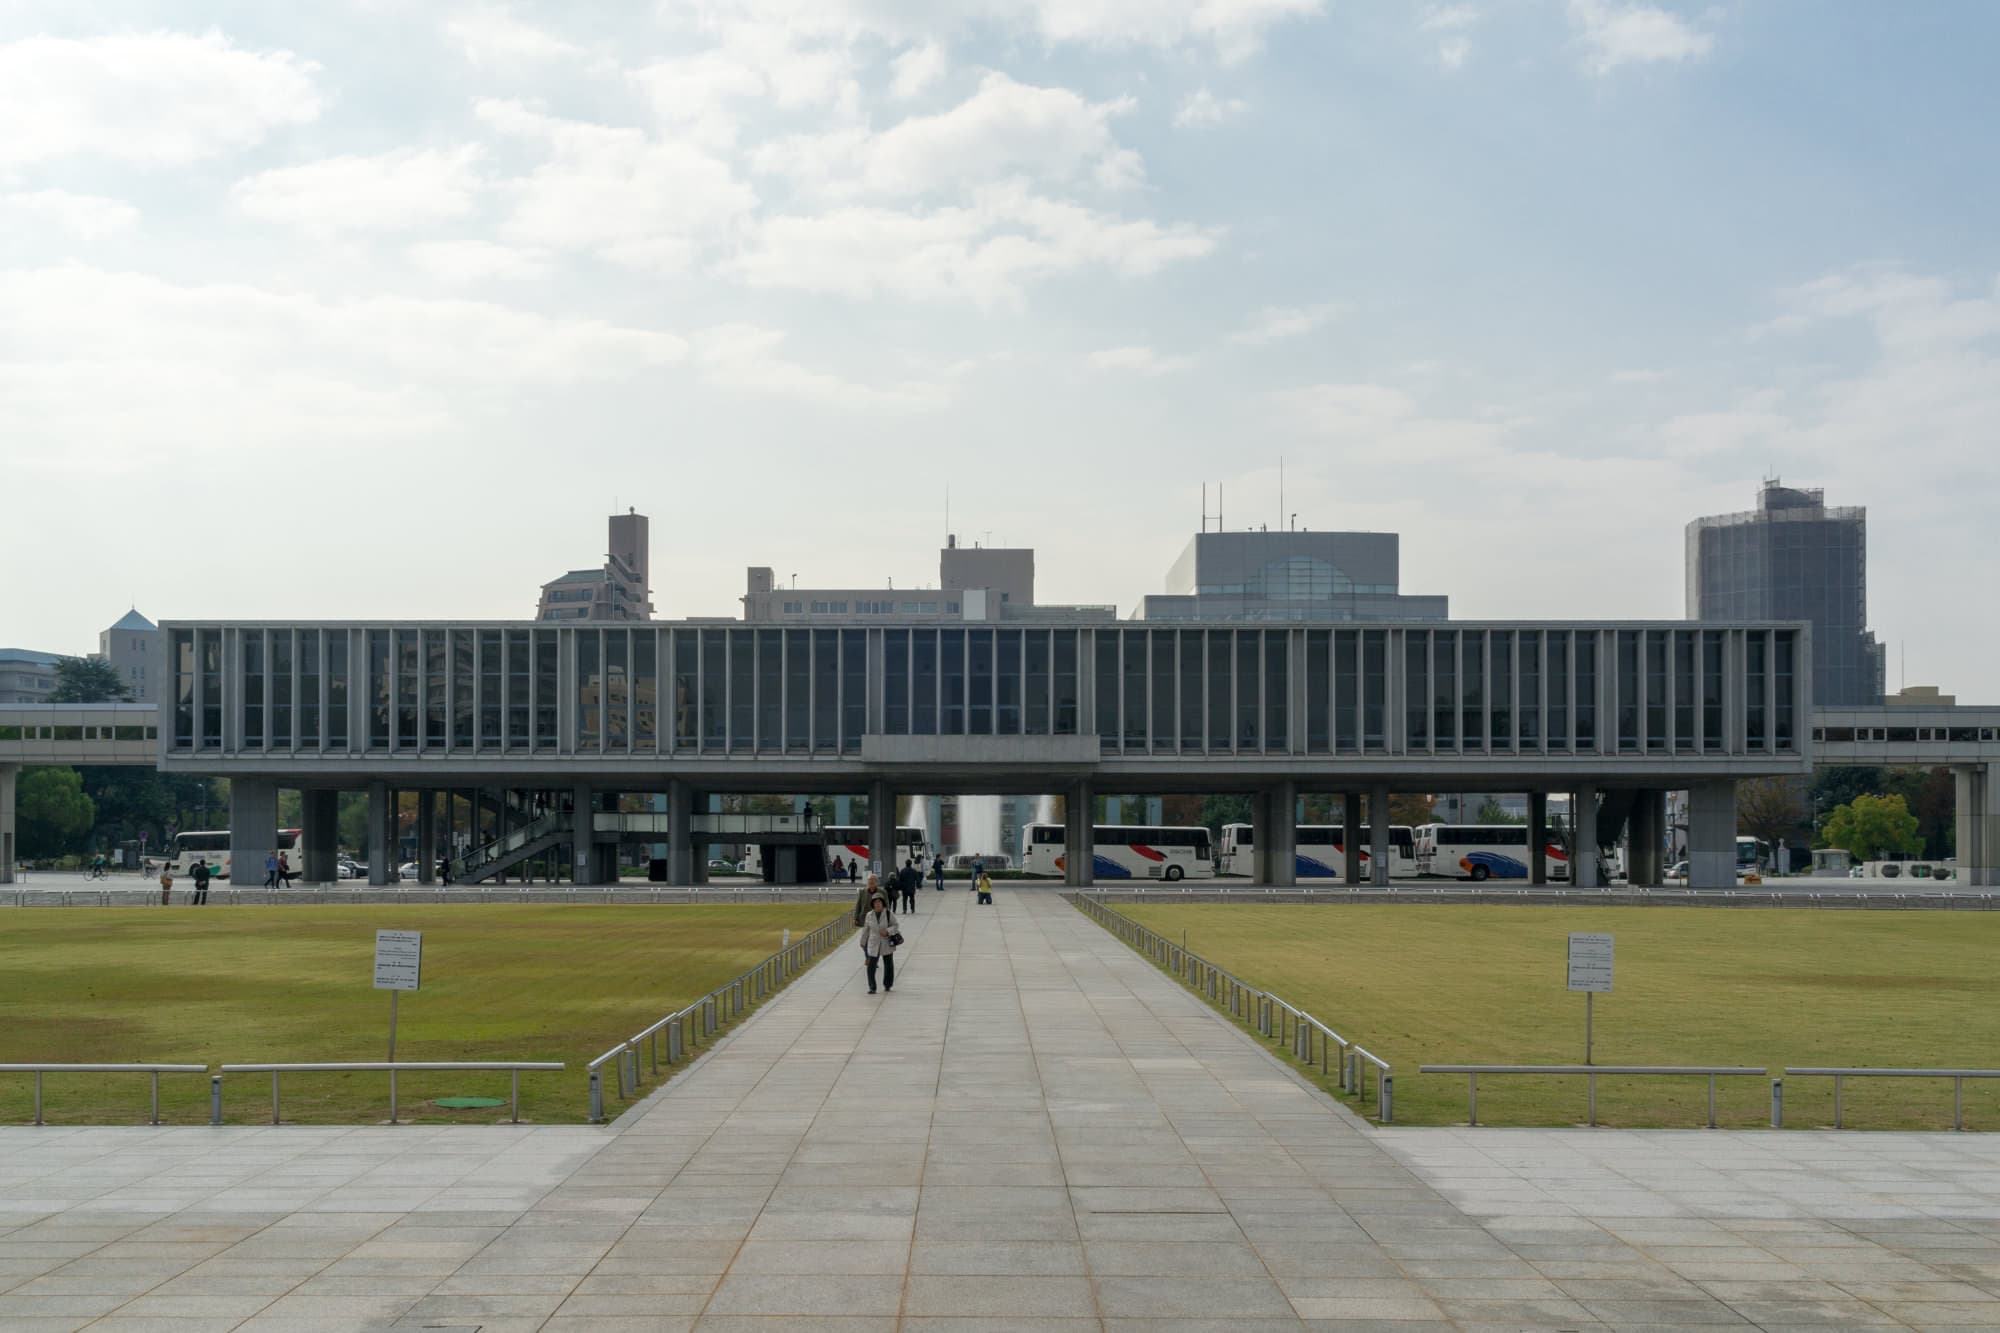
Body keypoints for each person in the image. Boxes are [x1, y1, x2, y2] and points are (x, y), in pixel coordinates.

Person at [859, 890, 899, 994]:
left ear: (883, 903)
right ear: (872, 904)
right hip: (873, 942)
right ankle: (872, 987)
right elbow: (866, 929)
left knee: (888, 964)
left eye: (879, 902)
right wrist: (863, 942)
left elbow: (896, 926)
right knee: (871, 965)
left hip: (886, 942)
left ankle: (888, 985)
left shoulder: (888, 914)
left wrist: (888, 931)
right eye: (875, 902)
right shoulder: (869, 915)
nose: (877, 904)